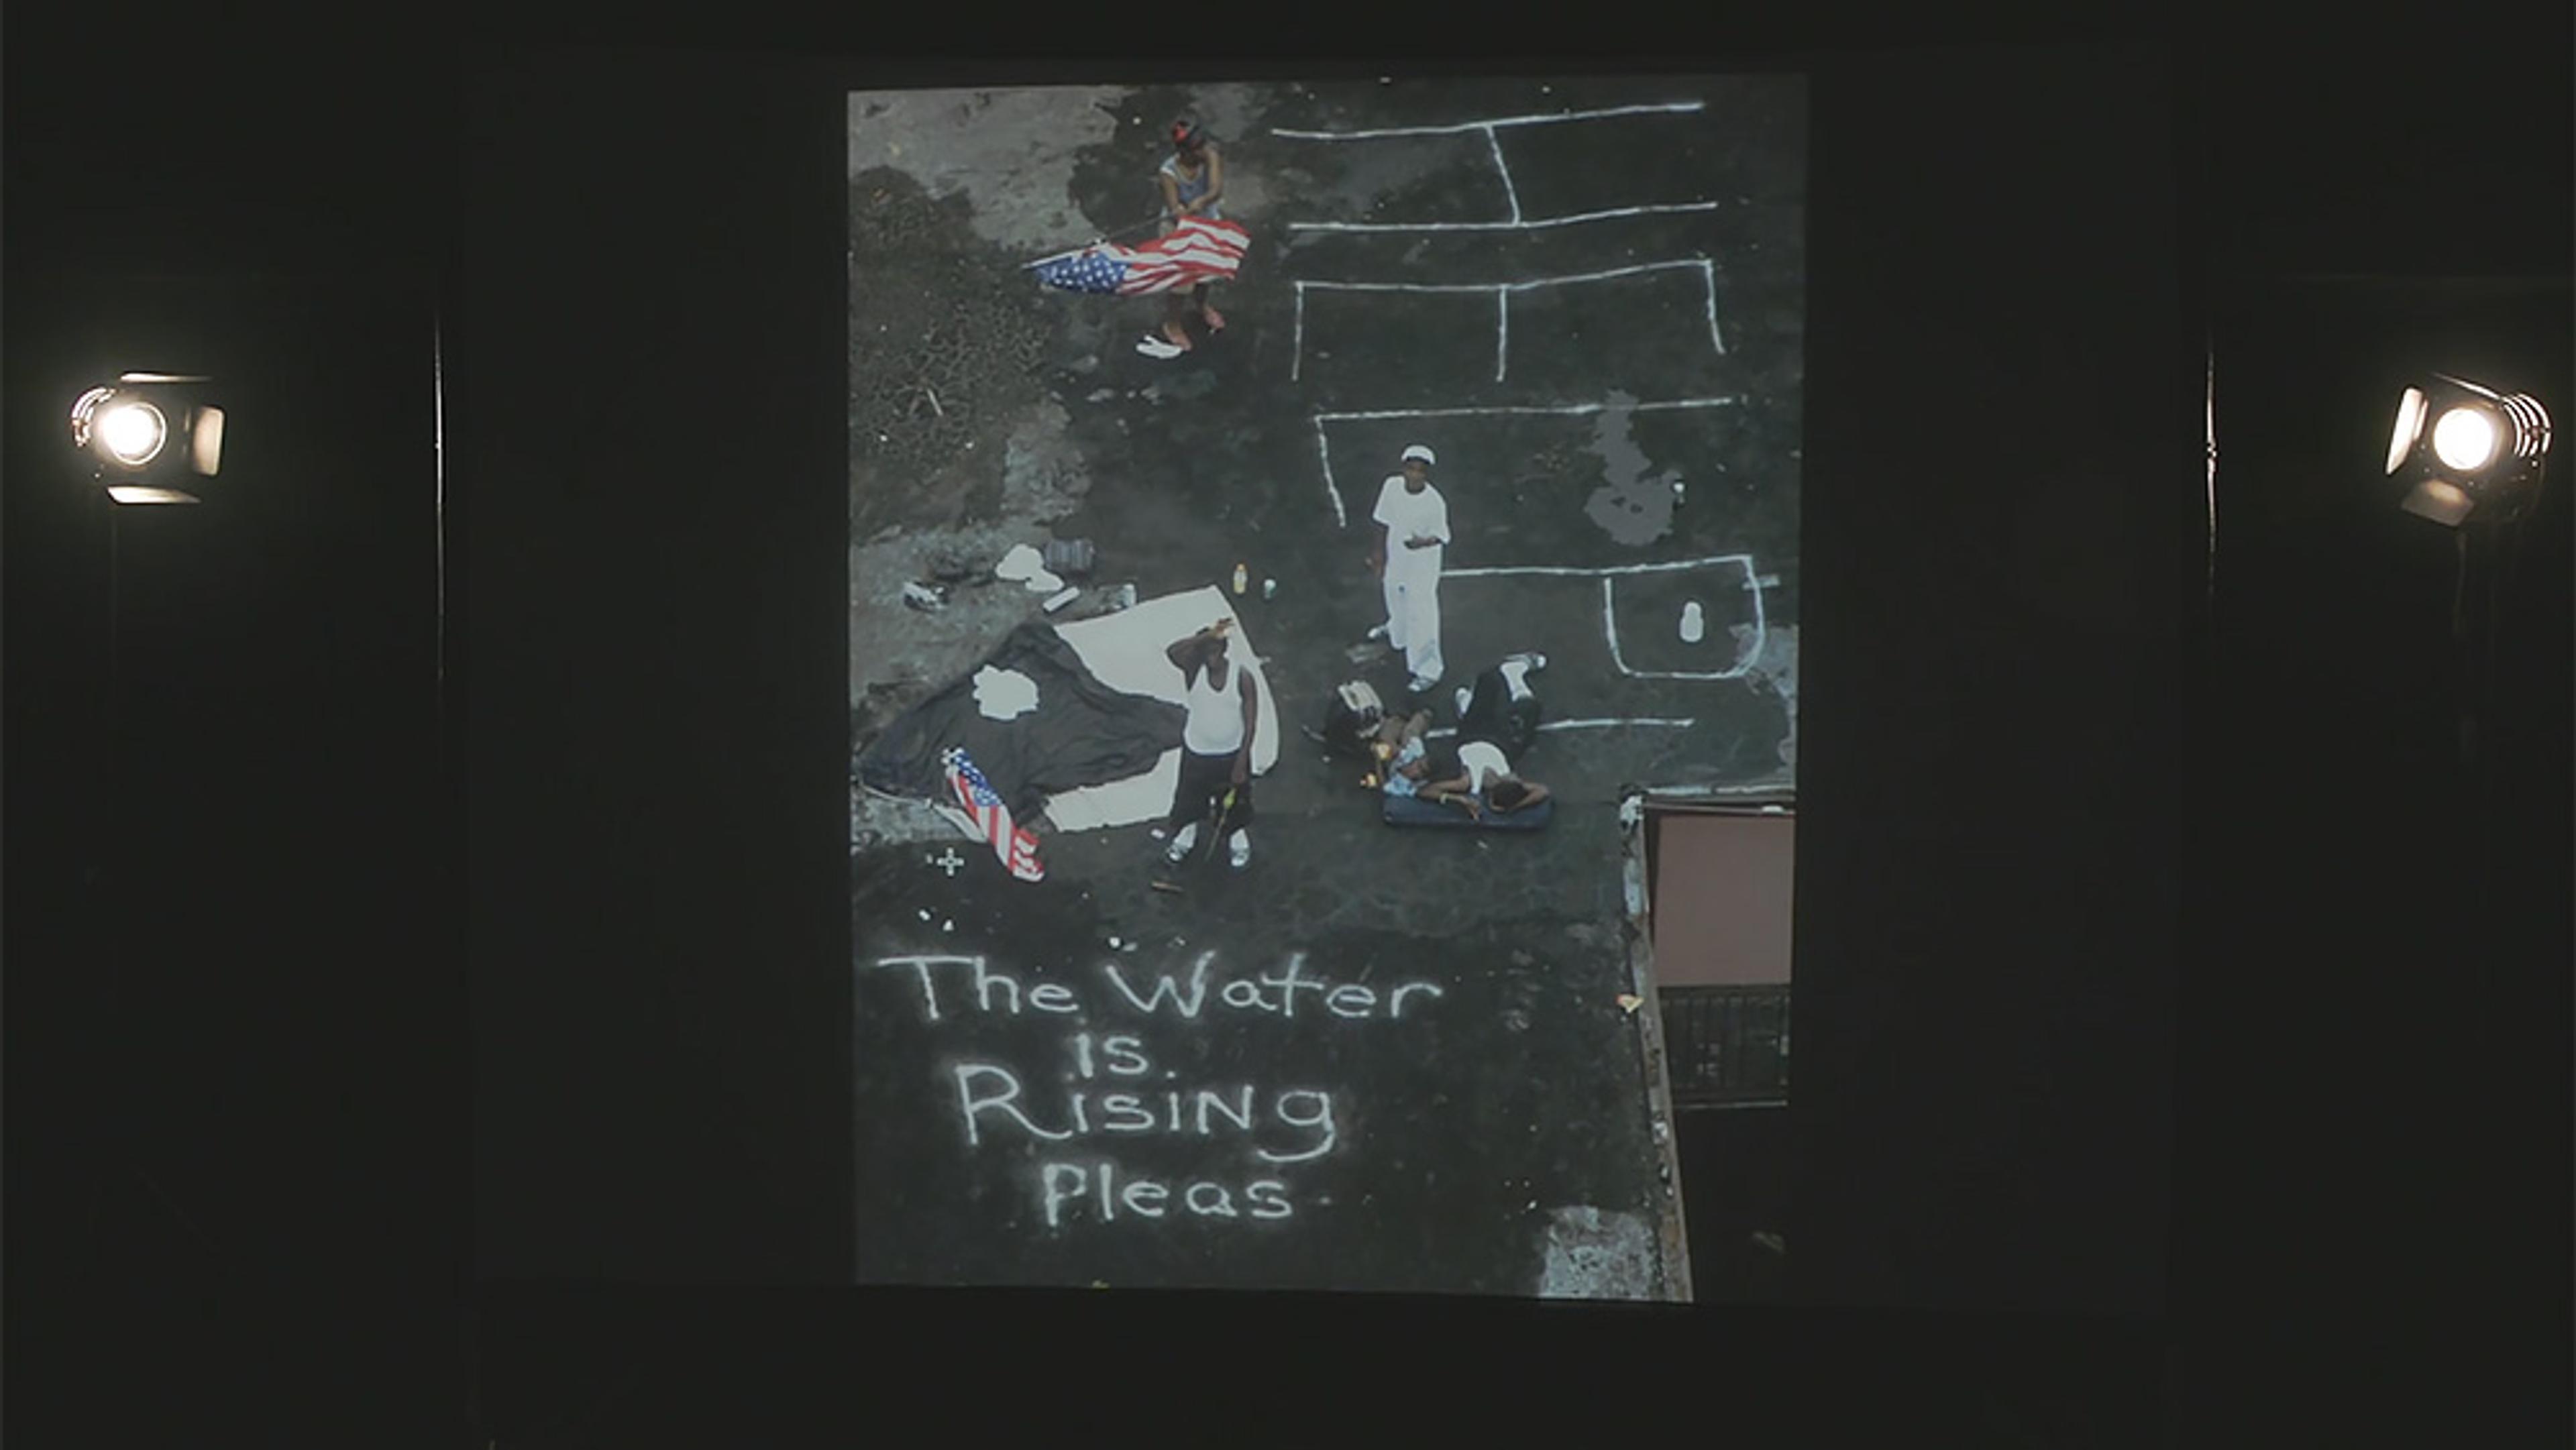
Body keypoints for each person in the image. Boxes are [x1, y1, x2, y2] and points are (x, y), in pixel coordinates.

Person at [1163, 618, 1258, 869]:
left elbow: (1250, 723)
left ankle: (1236, 836)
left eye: (1216, 651)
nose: (1211, 657)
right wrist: (1207, 637)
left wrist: (1241, 763)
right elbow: (1172, 652)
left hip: (1231, 753)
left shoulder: (1243, 676)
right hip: (1198, 751)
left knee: (1235, 801)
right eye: (1206, 652)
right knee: (1191, 798)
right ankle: (1188, 832)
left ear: (1225, 650)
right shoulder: (1194, 671)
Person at [1366, 444, 1450, 697]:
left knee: (1421, 612)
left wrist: (1421, 543)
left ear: (1427, 474)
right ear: (1403, 469)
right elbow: (1382, 521)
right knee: (1393, 593)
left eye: (1420, 471)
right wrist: (1378, 555)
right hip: (1398, 556)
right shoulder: (1391, 487)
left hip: (1423, 562)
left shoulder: (1435, 502)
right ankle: (1397, 633)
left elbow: (1442, 537)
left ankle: (1428, 670)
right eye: (1411, 469)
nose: (1415, 475)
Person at [1153, 117, 1227, 353]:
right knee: (1181, 283)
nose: (1202, 150)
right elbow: (1174, 208)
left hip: (1207, 224)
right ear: (1184, 151)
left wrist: (1202, 201)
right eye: (1197, 147)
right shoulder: (1169, 172)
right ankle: (1172, 323)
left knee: (1206, 275)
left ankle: (1202, 305)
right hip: (1179, 229)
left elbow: (1216, 190)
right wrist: (1182, 212)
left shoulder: (1210, 156)